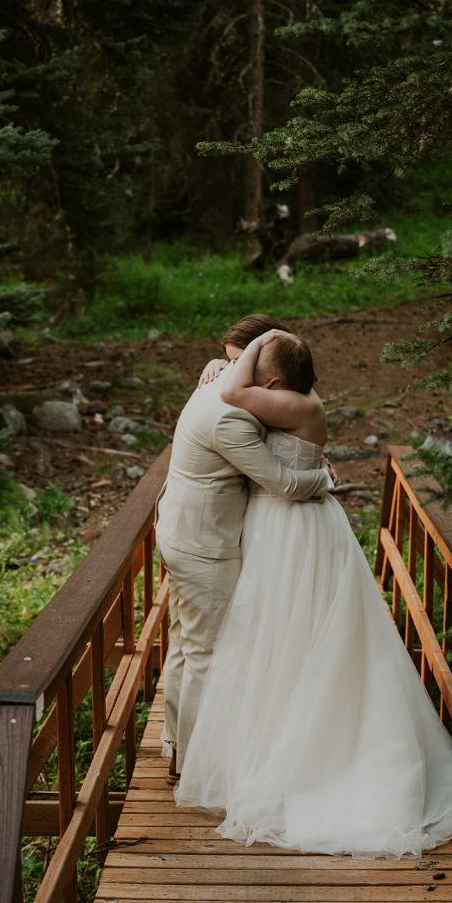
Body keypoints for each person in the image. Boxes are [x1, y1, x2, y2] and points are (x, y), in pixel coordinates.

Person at [175, 328, 452, 858]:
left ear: (272, 379)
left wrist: (320, 478)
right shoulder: (292, 395)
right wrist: (217, 360)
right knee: (277, 630)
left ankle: (302, 751)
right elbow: (235, 390)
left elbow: (231, 396)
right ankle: (269, 738)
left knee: (296, 627)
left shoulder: (295, 402)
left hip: (293, 520)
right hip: (273, 522)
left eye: (246, 362)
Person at [155, 316, 333, 784]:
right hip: (203, 543)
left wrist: (223, 362)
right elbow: (284, 482)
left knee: (185, 641)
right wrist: (326, 477)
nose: (230, 369)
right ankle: (193, 764)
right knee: (205, 652)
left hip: (185, 530)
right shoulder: (230, 412)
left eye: (237, 361)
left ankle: (176, 742)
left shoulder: (219, 388)